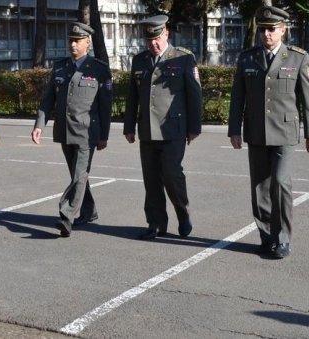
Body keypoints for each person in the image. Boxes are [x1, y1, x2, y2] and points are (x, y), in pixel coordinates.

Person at [228, 6, 309, 259]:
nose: (266, 34)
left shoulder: (297, 57)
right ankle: (266, 236)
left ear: (283, 30)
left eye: (271, 29)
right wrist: (234, 129)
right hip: (256, 131)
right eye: (263, 29)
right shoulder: (247, 58)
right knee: (259, 188)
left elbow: (308, 100)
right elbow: (238, 97)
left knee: (280, 183)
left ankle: (283, 239)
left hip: (285, 133)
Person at [123, 15, 203, 241]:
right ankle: (156, 224)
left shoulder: (184, 58)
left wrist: (194, 126)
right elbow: (132, 97)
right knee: (151, 179)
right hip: (147, 129)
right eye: (149, 40)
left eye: (157, 38)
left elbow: (194, 95)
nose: (153, 44)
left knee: (171, 174)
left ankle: (182, 212)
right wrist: (129, 126)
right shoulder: (139, 61)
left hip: (173, 129)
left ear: (166, 33)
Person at [31, 22, 113, 237]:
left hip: (87, 132)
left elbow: (105, 106)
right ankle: (89, 210)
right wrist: (40, 125)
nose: (73, 45)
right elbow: (48, 99)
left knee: (79, 175)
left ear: (88, 42)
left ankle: (66, 216)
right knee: (77, 175)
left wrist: (104, 135)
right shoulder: (60, 67)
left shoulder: (99, 69)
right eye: (71, 41)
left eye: (77, 41)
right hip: (65, 130)